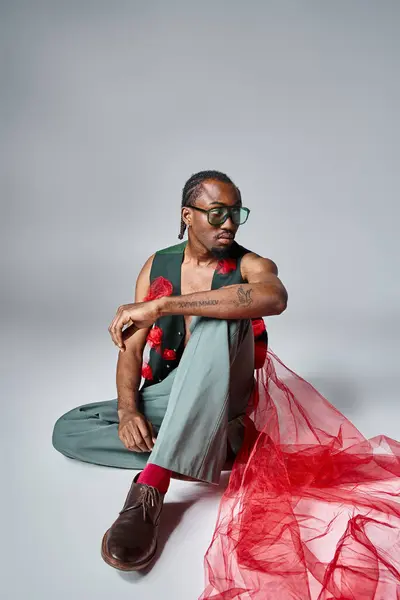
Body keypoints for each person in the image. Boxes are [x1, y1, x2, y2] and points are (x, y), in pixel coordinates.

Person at [52, 169, 288, 573]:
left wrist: (162, 305)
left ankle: (151, 487)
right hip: (171, 392)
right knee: (68, 428)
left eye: (236, 213)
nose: (228, 223)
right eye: (216, 213)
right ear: (187, 215)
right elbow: (131, 349)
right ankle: (207, 446)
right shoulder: (157, 265)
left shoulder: (249, 264)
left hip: (221, 390)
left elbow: (274, 296)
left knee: (224, 312)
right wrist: (128, 411)